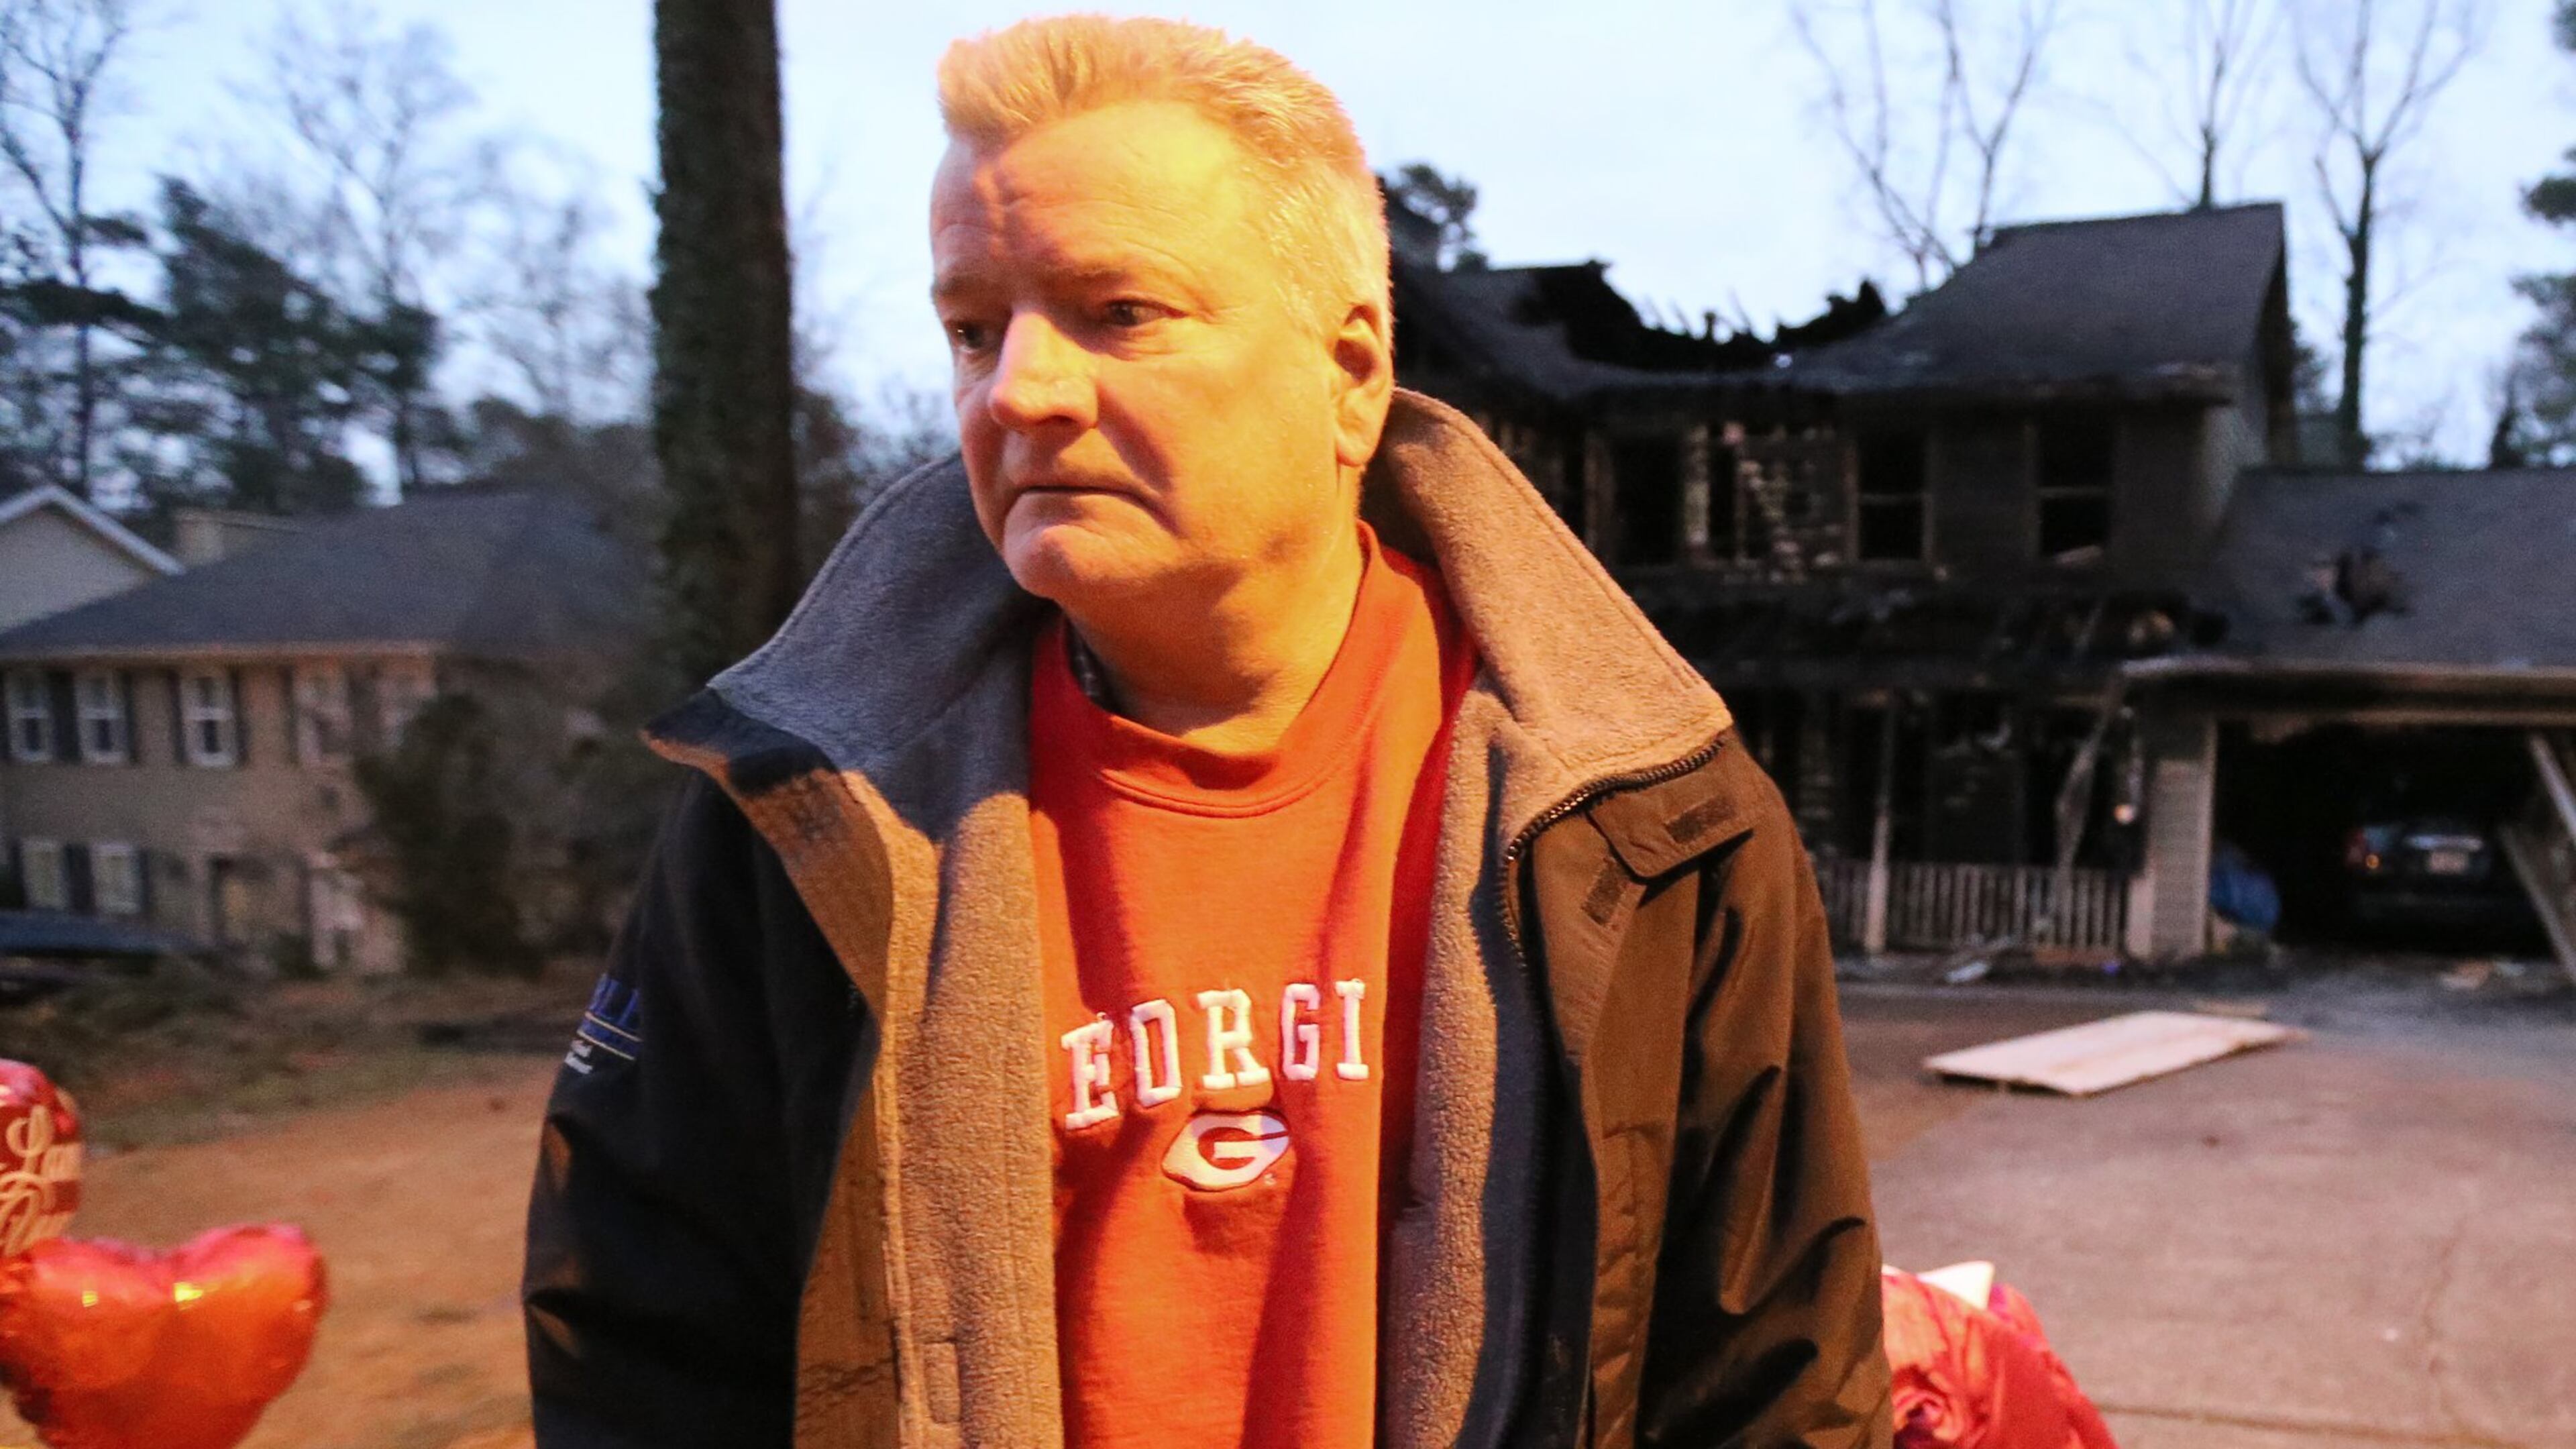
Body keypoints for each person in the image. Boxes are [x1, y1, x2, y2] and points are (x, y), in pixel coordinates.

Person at [523, 15, 1891, 1448]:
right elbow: (647, 1351)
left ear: (1351, 372)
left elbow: (1775, 1386)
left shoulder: (1654, 816)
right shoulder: (799, 812)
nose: (1020, 394)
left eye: (1120, 312)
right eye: (974, 329)